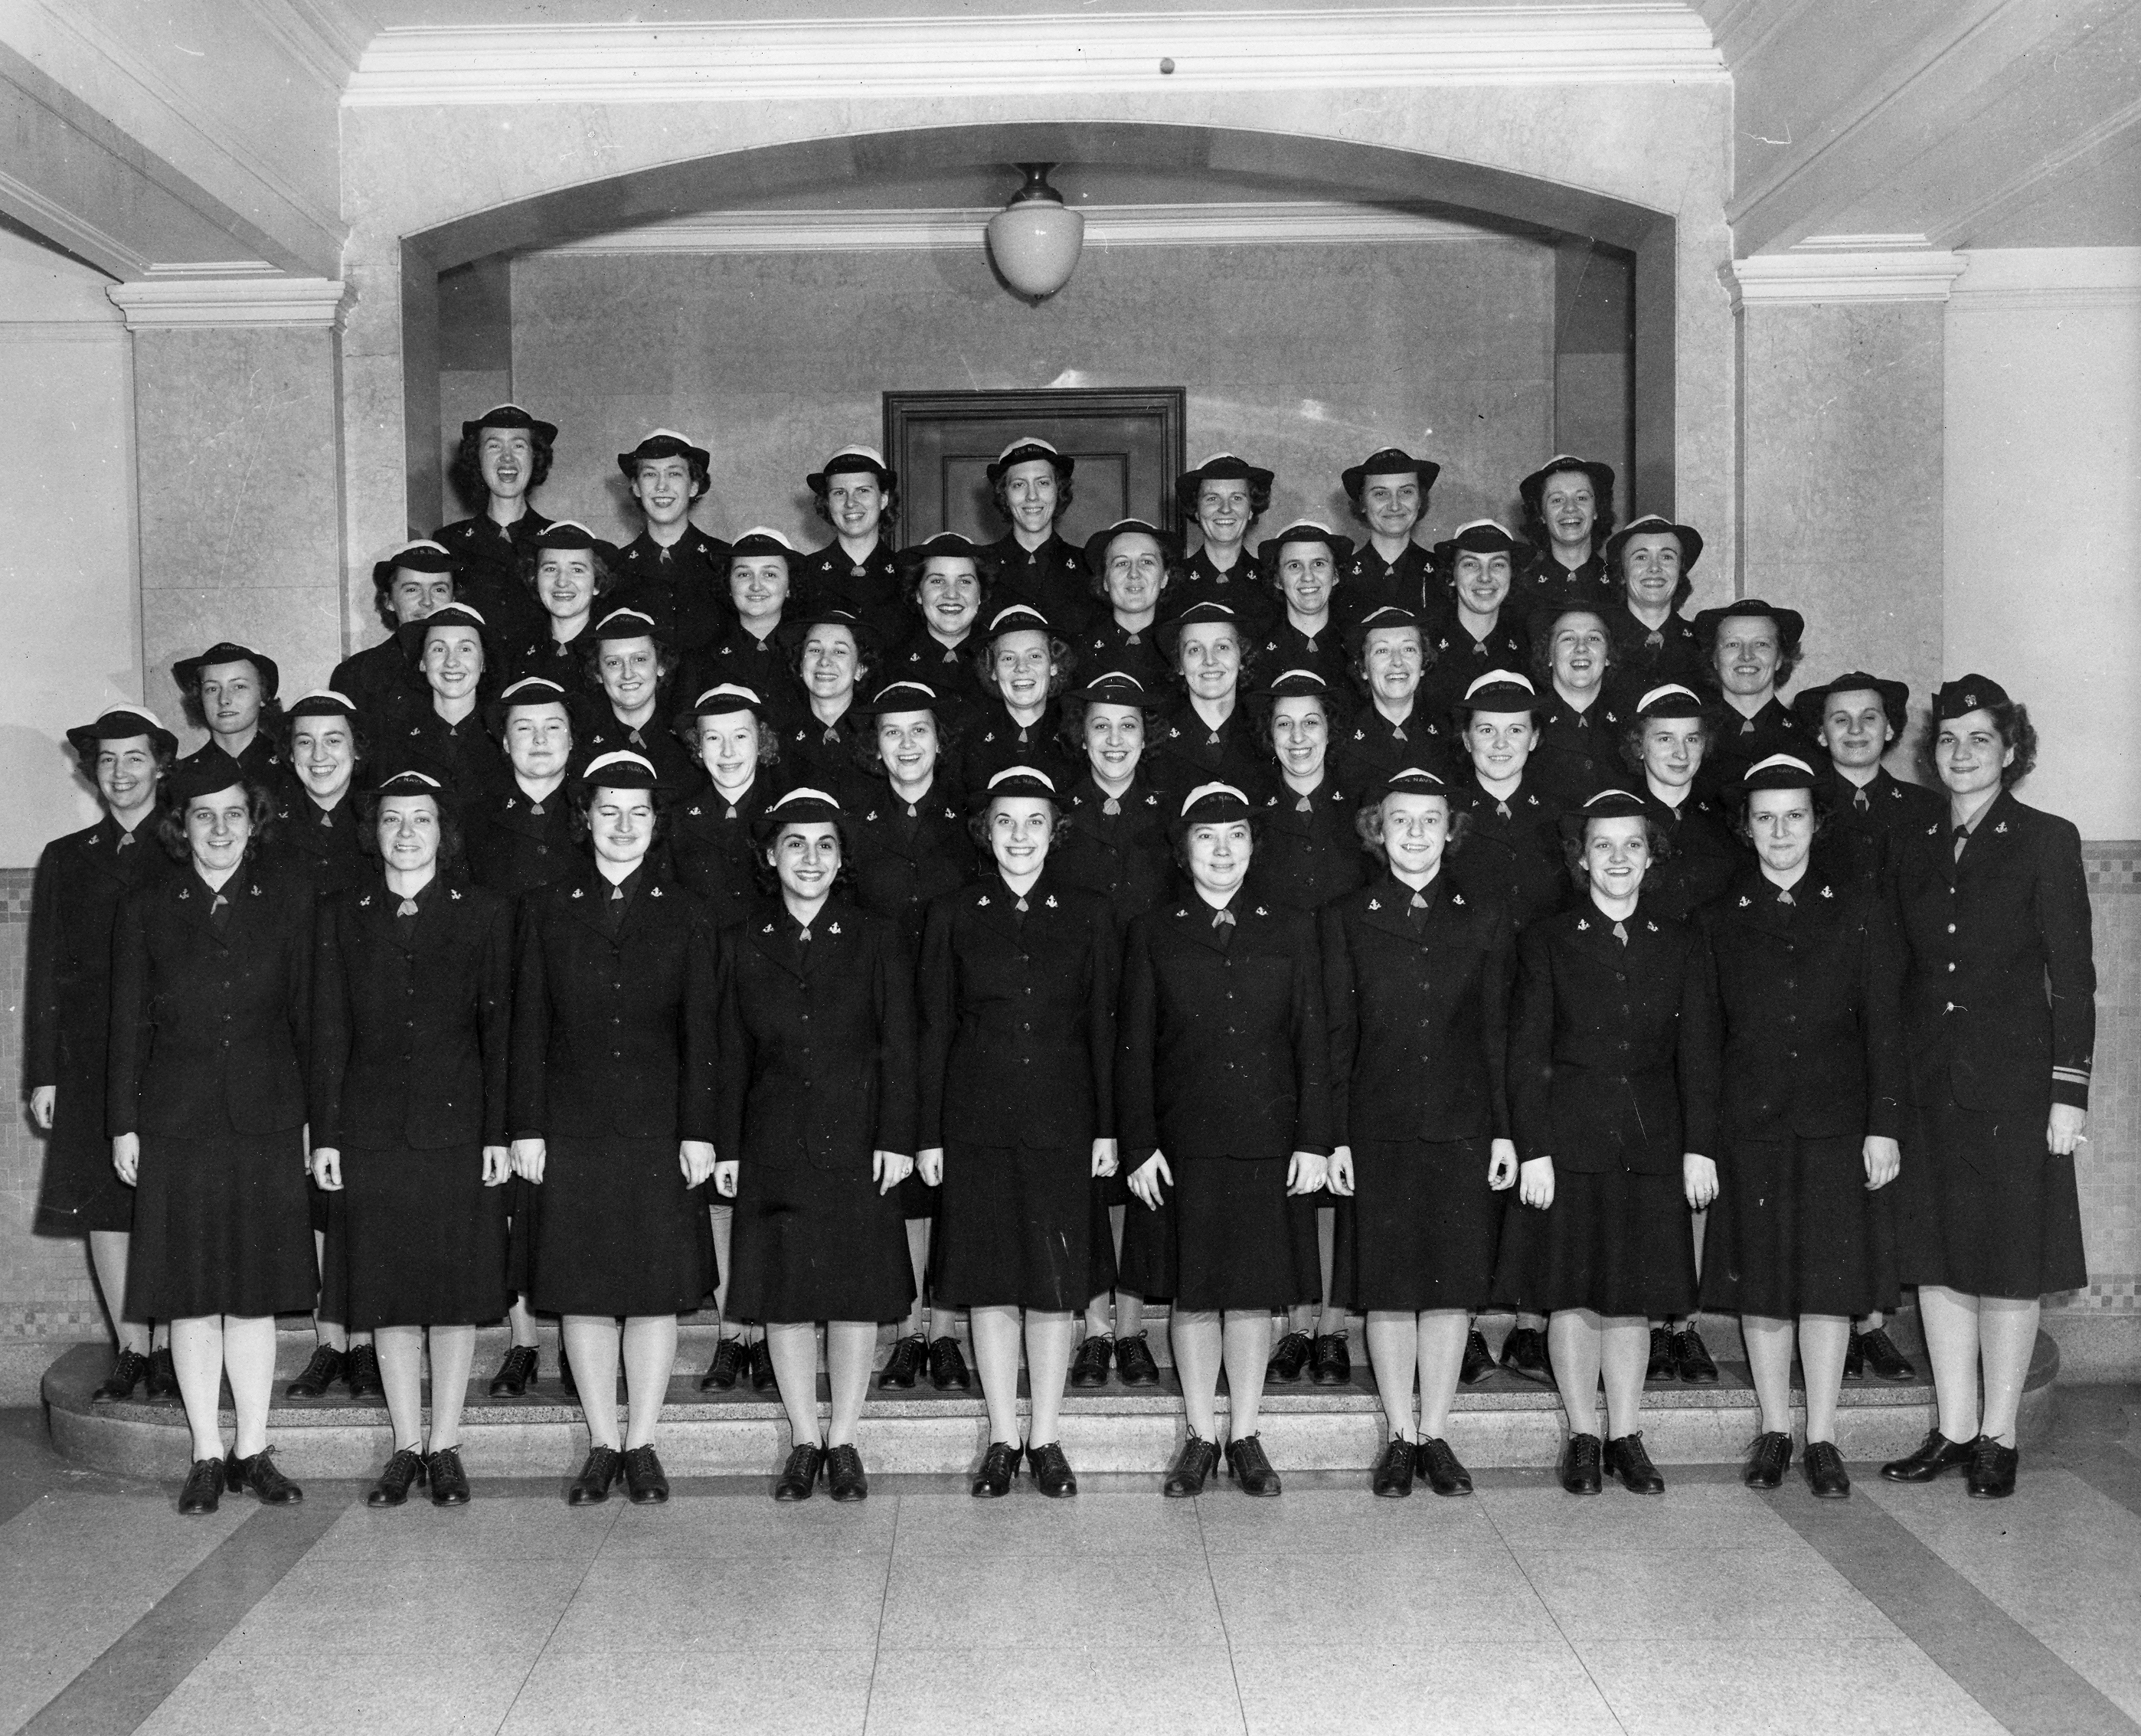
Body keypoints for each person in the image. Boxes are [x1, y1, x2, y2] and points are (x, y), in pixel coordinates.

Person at [1880, 677, 2094, 1500]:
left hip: (2016, 1087)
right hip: (1933, 1080)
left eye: (1980, 739)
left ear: (2011, 750)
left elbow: (2072, 975)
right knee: (1938, 1256)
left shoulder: (2046, 838)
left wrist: (2067, 1090)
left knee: (2008, 1261)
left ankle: (1999, 1435)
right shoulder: (1915, 843)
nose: (1961, 753)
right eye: (1949, 740)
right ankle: (1956, 1426)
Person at [1495, 788, 1721, 1496]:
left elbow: (1699, 1053)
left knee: (1633, 1296)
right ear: (1581, 858)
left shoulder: (1680, 940)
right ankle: (1583, 1435)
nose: (1617, 858)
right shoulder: (1548, 939)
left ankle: (1626, 1433)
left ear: (1650, 855)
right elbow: (1527, 1052)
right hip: (1570, 1139)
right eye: (1603, 845)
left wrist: (1698, 1145)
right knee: (1572, 1295)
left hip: (1652, 1140)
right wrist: (1533, 1149)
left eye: (1632, 844)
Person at [109, 758, 318, 1514]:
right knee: (193, 1296)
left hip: (266, 1115)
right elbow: (128, 1019)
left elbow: (312, 1021)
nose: (221, 829)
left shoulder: (290, 899)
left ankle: (253, 1447)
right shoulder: (148, 903)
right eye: (205, 816)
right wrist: (124, 1123)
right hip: (177, 1117)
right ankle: (205, 1450)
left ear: (253, 819)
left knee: (252, 1296)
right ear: (181, 823)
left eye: (234, 814)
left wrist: (312, 1125)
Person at [509, 750, 718, 1506]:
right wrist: (525, 1127)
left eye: (638, 812)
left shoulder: (687, 909)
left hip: (660, 1124)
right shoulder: (545, 906)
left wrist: (701, 1129)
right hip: (573, 1125)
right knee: (587, 1290)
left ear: (655, 823)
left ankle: (644, 1440)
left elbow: (704, 1029)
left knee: (655, 1291)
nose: (622, 825)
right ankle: (603, 1439)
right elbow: (528, 1024)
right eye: (608, 810)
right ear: (586, 817)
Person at [1698, 755, 1906, 1499]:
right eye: (1764, 816)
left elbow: (1885, 1026)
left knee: (1825, 1283)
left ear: (1818, 820)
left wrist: (1883, 1126)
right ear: (1744, 825)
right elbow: (1708, 1036)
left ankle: (1821, 1433)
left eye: (1794, 815)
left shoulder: (1857, 907)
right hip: (1750, 1126)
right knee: (1764, 1286)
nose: (1780, 830)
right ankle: (1774, 1425)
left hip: (1835, 1125)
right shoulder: (1721, 917)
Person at [1118, 783, 1332, 1498]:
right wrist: (1140, 1141)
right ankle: (1199, 1434)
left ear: (1251, 845)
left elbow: (1311, 1041)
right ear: (1184, 850)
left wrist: (1313, 1138)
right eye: (1206, 837)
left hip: (1267, 1136)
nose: (1221, 850)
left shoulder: (1291, 927)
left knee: (1250, 1292)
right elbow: (1135, 1047)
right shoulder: (1154, 930)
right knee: (1194, 1291)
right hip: (1185, 1141)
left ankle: (1244, 1430)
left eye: (1235, 835)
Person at [309, 768, 515, 1508]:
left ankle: (447, 1441)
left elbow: (500, 1030)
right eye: (392, 820)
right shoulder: (343, 913)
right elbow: (329, 1028)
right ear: (375, 832)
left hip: (457, 1127)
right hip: (369, 1129)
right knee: (389, 1294)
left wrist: (496, 1130)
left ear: (442, 831)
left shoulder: (483, 912)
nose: (405, 833)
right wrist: (327, 1134)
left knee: (451, 1293)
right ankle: (405, 1443)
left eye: (420, 820)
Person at [917, 767, 1120, 1496]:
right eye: (1006, 821)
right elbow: (935, 1026)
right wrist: (930, 1134)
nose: (1020, 836)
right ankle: (1004, 1436)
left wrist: (1106, 1129)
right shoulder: (954, 911)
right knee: (992, 1281)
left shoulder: (1089, 912)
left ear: (1054, 831)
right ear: (986, 830)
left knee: (1052, 1283)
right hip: (976, 1117)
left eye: (1035, 821)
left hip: (1063, 1116)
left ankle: (1048, 1436)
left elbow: (1102, 1024)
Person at [716, 787, 920, 1504]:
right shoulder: (742, 940)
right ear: (771, 855)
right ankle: (805, 1436)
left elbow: (899, 1045)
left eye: (826, 845)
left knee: (854, 1294)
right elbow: (730, 1050)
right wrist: (729, 1147)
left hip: (857, 1136)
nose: (811, 858)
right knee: (787, 1295)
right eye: (795, 844)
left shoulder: (876, 936)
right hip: (772, 1138)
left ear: (843, 858)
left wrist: (897, 1136)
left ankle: (846, 1437)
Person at [1323, 767, 1518, 1496]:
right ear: (1379, 830)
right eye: (1399, 821)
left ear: (1449, 829)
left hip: (1462, 1122)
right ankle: (1399, 1434)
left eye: (1428, 821)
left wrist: (1503, 1130)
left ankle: (1436, 1432)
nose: (1414, 834)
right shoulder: (1347, 915)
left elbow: (1498, 1030)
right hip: (1378, 1124)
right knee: (1390, 1285)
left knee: (1447, 1288)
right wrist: (1336, 1134)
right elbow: (1339, 1033)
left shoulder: (1485, 914)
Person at [26, 707, 179, 1403]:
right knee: (104, 1204)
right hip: (88, 1055)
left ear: (160, 765)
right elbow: (49, 967)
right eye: (108, 760)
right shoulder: (67, 855)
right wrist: (43, 1073)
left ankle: (176, 1345)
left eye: (134, 758)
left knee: (170, 1198)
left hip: (168, 1049)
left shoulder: (185, 845)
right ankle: (131, 1348)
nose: (120, 773)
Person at [1793, 669, 1940, 1384]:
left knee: (1882, 1170)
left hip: (1904, 1009)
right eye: (1839, 719)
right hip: (1826, 1017)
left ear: (1890, 730)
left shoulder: (1924, 812)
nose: (1854, 729)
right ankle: (1830, 1313)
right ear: (1820, 733)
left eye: (1869, 718)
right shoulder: (1804, 810)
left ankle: (1873, 1322)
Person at [840, 676, 978, 1394]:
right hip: (882, 1017)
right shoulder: (857, 823)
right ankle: (906, 1332)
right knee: (898, 1174)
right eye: (892, 733)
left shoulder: (968, 818)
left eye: (918, 730)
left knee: (948, 1168)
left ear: (937, 738)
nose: (906, 745)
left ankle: (946, 1331)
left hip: (959, 1012)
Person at [1441, 670, 1567, 1385]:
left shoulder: (1557, 819)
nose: (1500, 742)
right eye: (1485, 729)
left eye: (1515, 728)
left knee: (1536, 1146)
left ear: (1536, 736)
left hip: (1542, 1004)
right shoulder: (1447, 816)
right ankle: (1459, 1321)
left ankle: (1527, 1321)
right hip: (1464, 1008)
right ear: (1465, 738)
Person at [1247, 669, 1369, 1390]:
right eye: (1285, 725)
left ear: (1331, 731)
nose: (1298, 738)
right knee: (1291, 1151)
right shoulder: (1254, 816)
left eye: (1311, 724)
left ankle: (1334, 1325)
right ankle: (1295, 1321)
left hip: (1351, 991)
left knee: (1345, 1147)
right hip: (1277, 999)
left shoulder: (1358, 811)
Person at [1053, 672, 1174, 1391]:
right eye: (1101, 726)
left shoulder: (1167, 810)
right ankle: (1095, 1325)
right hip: (1084, 1008)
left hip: (1157, 1007)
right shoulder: (1060, 810)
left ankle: (1132, 1327)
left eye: (1128, 725)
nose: (1115, 740)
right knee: (1089, 1169)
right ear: (1082, 733)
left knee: (1145, 1159)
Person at [668, 681, 788, 1395]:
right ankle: (729, 1330)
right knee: (718, 1165)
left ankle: (768, 1322)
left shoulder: (790, 813)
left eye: (740, 736)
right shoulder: (680, 821)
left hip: (774, 1000)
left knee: (768, 1161)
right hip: (707, 1004)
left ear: (761, 740)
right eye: (712, 738)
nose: (726, 751)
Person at [462, 674, 577, 1400]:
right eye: (524, 730)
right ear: (504, 742)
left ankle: (573, 1332)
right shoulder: (476, 821)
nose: (538, 742)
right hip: (490, 1011)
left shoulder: (596, 815)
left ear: (573, 738)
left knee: (565, 1182)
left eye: (552, 728)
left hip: (573, 1019)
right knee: (510, 1177)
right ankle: (523, 1338)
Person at [270, 689, 382, 1403]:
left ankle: (367, 1338)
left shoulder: (382, 826)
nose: (319, 756)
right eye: (305, 742)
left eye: (333, 741)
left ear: (356, 748)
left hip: (364, 1027)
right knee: (313, 1189)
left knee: (360, 1181)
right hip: (286, 1025)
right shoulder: (271, 831)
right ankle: (327, 1340)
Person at [433, 404, 556, 648]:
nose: (507, 458)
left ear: (535, 457)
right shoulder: (447, 543)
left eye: (519, 445)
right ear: (477, 459)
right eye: (494, 446)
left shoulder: (557, 541)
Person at [1622, 683, 1737, 925]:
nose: (1681, 753)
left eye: (1691, 739)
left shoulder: (1727, 819)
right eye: (1665, 739)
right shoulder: (1618, 818)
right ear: (1639, 746)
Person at [611, 429, 729, 659]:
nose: (661, 486)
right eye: (650, 475)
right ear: (636, 487)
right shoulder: (615, 568)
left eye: (674, 474)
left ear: (694, 486)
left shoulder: (726, 561)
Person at [1690, 599, 1814, 798]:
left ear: (1780, 658)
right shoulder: (1690, 737)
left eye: (1761, 644)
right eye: (1732, 644)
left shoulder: (1808, 735)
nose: (1747, 656)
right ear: (1714, 658)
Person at [1147, 601, 1267, 799]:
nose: (1209, 660)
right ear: (1179, 665)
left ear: (1242, 658)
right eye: (1195, 649)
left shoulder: (1265, 731)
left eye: (1222, 647)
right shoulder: (1157, 738)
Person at [573, 606, 698, 792]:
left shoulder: (687, 742)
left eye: (639, 659)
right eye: (613, 663)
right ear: (598, 673)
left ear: (661, 666)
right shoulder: (581, 746)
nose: (628, 674)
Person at [334, 541, 456, 729]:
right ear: (389, 601)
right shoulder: (355, 674)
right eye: (412, 589)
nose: (427, 602)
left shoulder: (479, 668)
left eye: (439, 589)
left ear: (454, 600)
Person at [393, 603, 506, 801]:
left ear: (483, 663)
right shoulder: (393, 737)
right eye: (438, 649)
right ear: (422, 662)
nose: (451, 662)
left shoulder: (506, 734)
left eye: (465, 649)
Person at [799, 446, 908, 650]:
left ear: (883, 499)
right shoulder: (803, 572)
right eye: (839, 493)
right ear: (828, 503)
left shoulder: (909, 572)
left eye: (863, 491)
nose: (851, 503)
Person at [698, 529, 806, 733]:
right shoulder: (700, 660)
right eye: (744, 574)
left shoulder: (811, 653)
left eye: (770, 574)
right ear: (729, 585)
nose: (756, 586)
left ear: (790, 585)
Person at [1335, 604, 1452, 792]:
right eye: (1382, 651)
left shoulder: (1448, 735)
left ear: (1423, 662)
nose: (1397, 661)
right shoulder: (1341, 740)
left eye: (1409, 649)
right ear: (1362, 668)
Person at [1421, 521, 1533, 717]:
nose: (1485, 577)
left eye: (1498, 564)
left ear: (1512, 575)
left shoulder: (1528, 646)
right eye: (1471, 564)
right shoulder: (1424, 643)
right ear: (1451, 575)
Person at [982, 438, 1092, 636]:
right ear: (1004, 494)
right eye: (1018, 485)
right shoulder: (979, 566)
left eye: (1043, 483)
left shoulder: (1089, 566)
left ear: (1058, 491)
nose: (1032, 496)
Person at [966, 603, 1079, 788]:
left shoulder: (1077, 732)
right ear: (992, 670)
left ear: (1054, 666)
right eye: (1008, 658)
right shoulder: (970, 739)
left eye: (1034, 656)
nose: (1021, 667)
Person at [888, 532, 997, 721]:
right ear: (918, 594)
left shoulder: (1001, 658)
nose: (952, 594)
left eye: (965, 581)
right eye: (937, 581)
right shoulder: (890, 665)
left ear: (980, 594)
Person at [508, 520, 620, 702]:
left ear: (597, 583)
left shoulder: (611, 651)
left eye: (577, 570)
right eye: (551, 569)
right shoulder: (515, 651)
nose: (562, 581)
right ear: (535, 579)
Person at [1527, 606, 1628, 808]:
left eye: (1594, 638)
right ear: (1548, 655)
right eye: (1568, 639)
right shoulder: (1527, 720)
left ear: (1608, 655)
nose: (1581, 647)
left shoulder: (1630, 721)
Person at [1169, 453, 1276, 635]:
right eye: (1212, 498)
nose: (1225, 509)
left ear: (1251, 510)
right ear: (1196, 510)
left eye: (1237, 498)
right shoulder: (1171, 581)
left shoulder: (1272, 579)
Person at [1600, 515, 1705, 695]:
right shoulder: (1600, 642)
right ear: (1622, 573)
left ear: (1680, 572)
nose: (1655, 568)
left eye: (1667, 557)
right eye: (1641, 557)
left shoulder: (1702, 644)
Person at [1338, 446, 1439, 622]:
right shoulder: (1339, 576)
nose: (1394, 505)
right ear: (1362, 503)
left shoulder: (1443, 571)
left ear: (1420, 500)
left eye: (1406, 492)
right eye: (1381, 494)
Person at [172, 641, 288, 791]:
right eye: (212, 689)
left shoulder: (292, 770)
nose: (224, 699)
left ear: (263, 696)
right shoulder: (181, 777)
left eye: (239, 687)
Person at [783, 606, 878, 787]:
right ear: (800, 666)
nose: (825, 661)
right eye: (815, 650)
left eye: (839, 651)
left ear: (860, 669)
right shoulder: (782, 737)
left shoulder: (877, 733)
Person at [1078, 518, 1176, 690]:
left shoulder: (1181, 647)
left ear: (1165, 578)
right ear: (1105, 581)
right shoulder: (1080, 650)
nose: (1134, 574)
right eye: (1121, 563)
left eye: (1146, 562)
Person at [1256, 521, 1355, 691]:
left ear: (1336, 575)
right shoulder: (1259, 652)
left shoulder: (1354, 647)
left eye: (1318, 564)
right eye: (1294, 566)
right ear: (1278, 580)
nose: (1308, 577)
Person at [1514, 455, 1616, 614]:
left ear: (1596, 509)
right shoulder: (1520, 589)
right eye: (1557, 500)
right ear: (1541, 514)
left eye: (1581, 498)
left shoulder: (1620, 585)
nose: (1570, 508)